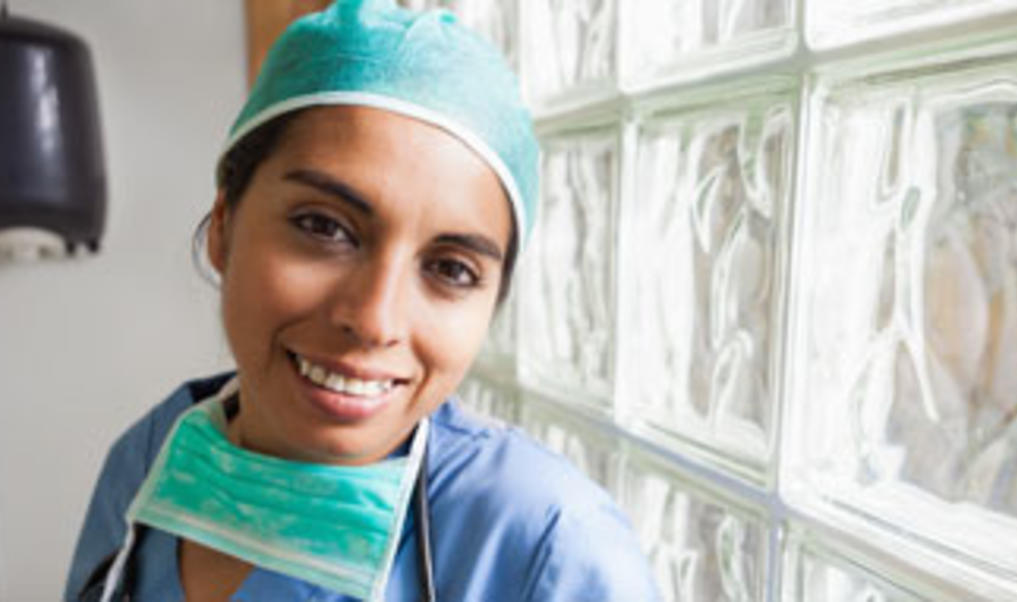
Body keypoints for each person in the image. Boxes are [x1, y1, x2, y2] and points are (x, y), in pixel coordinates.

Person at [64, 0, 660, 600]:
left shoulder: (548, 548)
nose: (375, 320)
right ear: (223, 225)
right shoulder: (152, 464)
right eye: (324, 228)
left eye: (451, 269)